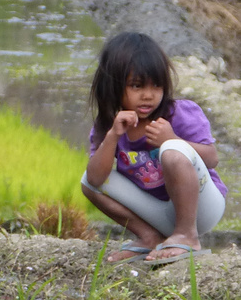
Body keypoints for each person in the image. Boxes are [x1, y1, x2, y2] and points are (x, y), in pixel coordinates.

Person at [81, 31, 227, 266]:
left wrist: (173, 139)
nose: (148, 96)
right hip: (158, 213)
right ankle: (150, 237)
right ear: (114, 86)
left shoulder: (179, 113)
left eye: (156, 86)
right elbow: (96, 179)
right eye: (137, 86)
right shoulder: (110, 125)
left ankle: (187, 236)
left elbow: (211, 158)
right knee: (87, 181)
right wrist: (112, 136)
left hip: (200, 208)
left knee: (172, 150)